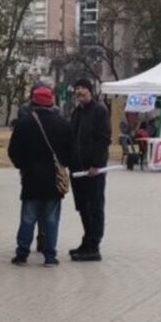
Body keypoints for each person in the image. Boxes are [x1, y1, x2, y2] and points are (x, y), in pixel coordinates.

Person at [8, 86, 72, 267]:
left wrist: (23, 166)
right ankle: (50, 256)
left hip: (31, 179)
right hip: (53, 181)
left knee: (28, 218)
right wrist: (61, 165)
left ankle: (22, 254)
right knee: (51, 219)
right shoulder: (63, 124)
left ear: (33, 103)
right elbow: (71, 153)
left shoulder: (23, 124)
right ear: (52, 102)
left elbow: (13, 151)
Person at [68, 79, 111, 262]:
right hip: (77, 169)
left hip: (93, 170)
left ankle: (94, 246)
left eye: (83, 88)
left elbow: (103, 139)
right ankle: (87, 241)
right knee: (83, 207)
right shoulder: (76, 112)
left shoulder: (99, 110)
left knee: (94, 207)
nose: (80, 92)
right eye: (77, 89)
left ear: (90, 91)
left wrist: (96, 164)